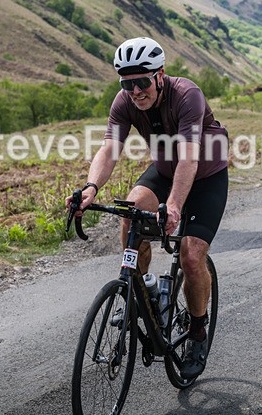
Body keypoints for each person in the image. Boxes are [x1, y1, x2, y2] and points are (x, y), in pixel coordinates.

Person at [66, 36, 229, 380]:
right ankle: (144, 289)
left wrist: (173, 206)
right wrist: (91, 188)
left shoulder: (187, 95)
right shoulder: (124, 101)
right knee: (131, 213)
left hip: (205, 175)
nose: (135, 90)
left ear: (160, 75)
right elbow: (110, 149)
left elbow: (189, 158)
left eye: (142, 81)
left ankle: (197, 332)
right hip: (166, 169)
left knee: (190, 256)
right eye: (127, 83)